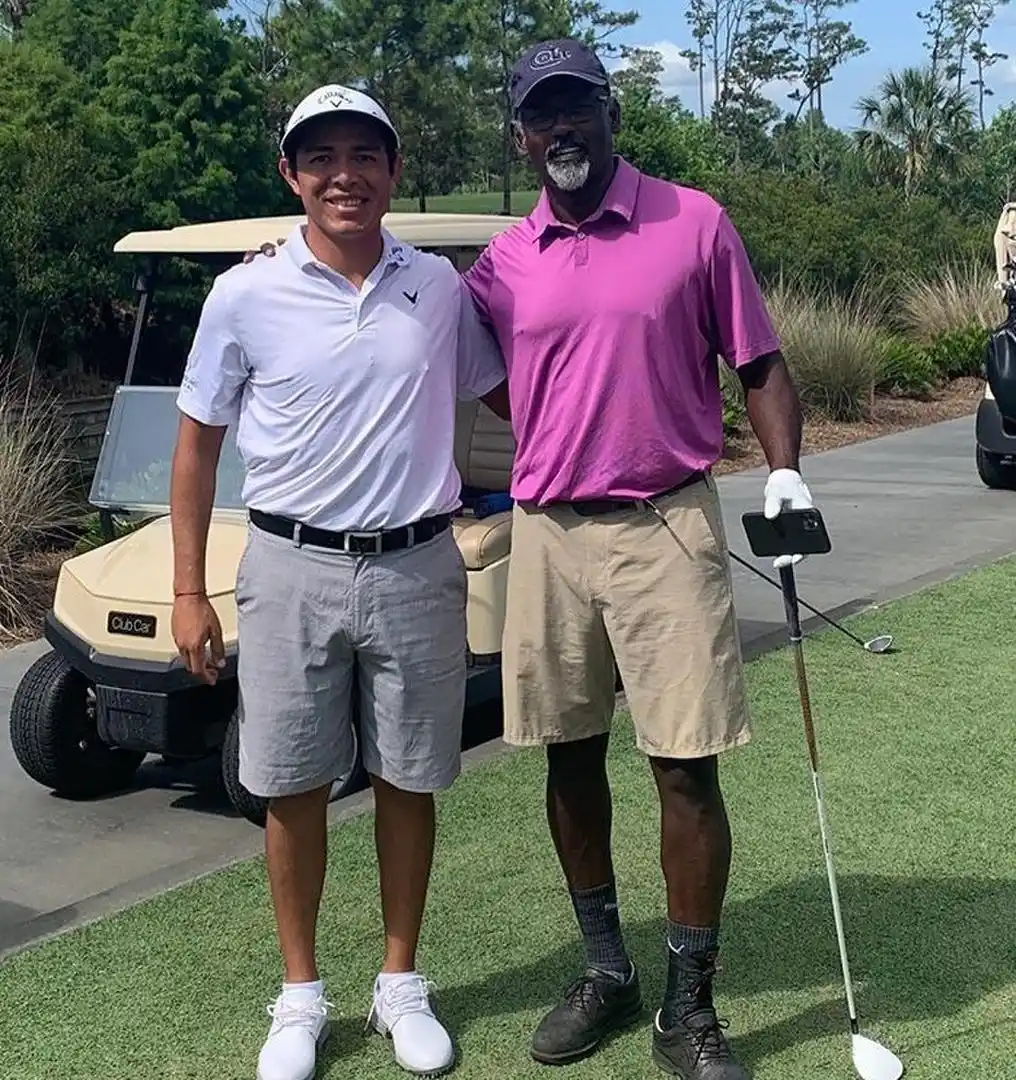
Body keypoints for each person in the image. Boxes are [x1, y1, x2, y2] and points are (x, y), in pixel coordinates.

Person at [459, 39, 816, 1080]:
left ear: (611, 115)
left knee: (684, 765)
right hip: (548, 533)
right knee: (567, 755)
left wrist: (787, 474)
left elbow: (758, 364)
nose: (560, 129)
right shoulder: (502, 262)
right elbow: (457, 349)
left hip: (666, 523)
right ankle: (606, 969)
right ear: (519, 134)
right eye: (540, 115)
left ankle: (687, 1007)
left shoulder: (691, 221)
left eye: (577, 108)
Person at [169, 83, 509, 1080]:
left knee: (409, 779)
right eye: (320, 158)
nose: (343, 174)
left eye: (364, 154)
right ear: (291, 175)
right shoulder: (244, 292)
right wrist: (189, 591)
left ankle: (400, 982)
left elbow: (515, 387)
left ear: (394, 172)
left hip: (416, 561)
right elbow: (196, 448)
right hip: (288, 565)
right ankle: (301, 996)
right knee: (289, 786)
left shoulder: (438, 289)